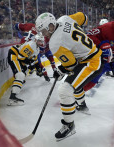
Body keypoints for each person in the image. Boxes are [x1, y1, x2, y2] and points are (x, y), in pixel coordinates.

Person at [35, 12, 105, 141]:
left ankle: (69, 125)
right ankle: (82, 105)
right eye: (42, 32)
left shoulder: (55, 43)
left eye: (45, 30)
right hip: (90, 56)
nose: (44, 34)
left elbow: (71, 64)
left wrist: (61, 70)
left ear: (51, 25)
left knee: (65, 90)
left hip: (91, 62)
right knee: (75, 83)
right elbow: (84, 17)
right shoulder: (64, 18)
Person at [7, 33, 48, 106]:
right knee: (20, 75)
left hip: (17, 57)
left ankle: (13, 95)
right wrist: (30, 64)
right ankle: (12, 98)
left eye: (42, 41)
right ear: (35, 40)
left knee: (23, 73)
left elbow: (35, 60)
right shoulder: (31, 45)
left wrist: (38, 69)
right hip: (14, 55)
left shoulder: (36, 48)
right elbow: (20, 57)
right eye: (39, 41)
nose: (41, 43)